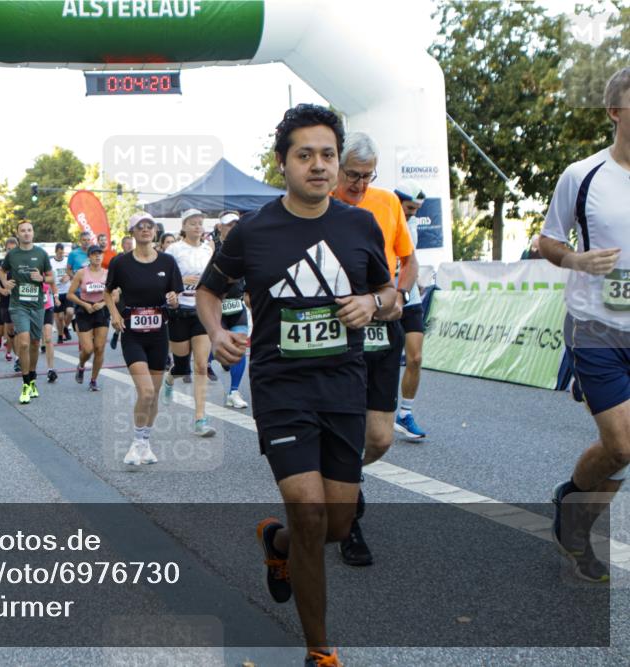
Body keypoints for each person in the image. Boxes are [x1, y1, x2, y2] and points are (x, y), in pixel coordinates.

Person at [197, 104, 395, 667]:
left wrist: (372, 303)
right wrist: (216, 331)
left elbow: (392, 297)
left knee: (334, 523)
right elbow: (210, 291)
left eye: (327, 155)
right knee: (309, 515)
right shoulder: (253, 232)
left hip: (343, 388)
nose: (319, 165)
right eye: (304, 155)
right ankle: (320, 651)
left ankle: (276, 545)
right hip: (282, 391)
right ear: (282, 163)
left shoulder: (360, 225)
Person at [540, 67, 630, 583]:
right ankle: (571, 499)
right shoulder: (583, 176)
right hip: (596, 327)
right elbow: (547, 242)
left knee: (626, 451)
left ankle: (576, 523)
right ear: (615, 112)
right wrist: (579, 261)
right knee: (621, 445)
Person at [332, 132, 416, 568]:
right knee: (344, 429)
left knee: (379, 438)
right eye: (353, 176)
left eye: (368, 176)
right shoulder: (320, 200)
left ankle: (346, 479)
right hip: (337, 326)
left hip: (382, 322)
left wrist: (398, 294)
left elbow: (408, 258)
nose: (360, 186)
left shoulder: (386, 203)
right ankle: (349, 519)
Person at [105, 212, 183, 465]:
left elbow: (174, 296)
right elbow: (107, 293)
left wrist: (173, 299)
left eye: (150, 226)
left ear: (155, 231)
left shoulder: (168, 262)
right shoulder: (121, 263)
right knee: (146, 391)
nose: (146, 230)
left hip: (160, 334)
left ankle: (145, 444)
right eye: (141, 227)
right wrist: (115, 314)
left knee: (155, 394)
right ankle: (137, 443)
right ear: (133, 232)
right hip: (132, 334)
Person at [162, 208, 217, 437]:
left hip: (201, 312)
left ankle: (200, 418)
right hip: (179, 311)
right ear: (183, 226)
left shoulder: (208, 249)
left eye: (200, 223)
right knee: (181, 366)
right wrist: (182, 281)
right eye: (193, 223)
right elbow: (164, 278)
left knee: (201, 366)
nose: (197, 226)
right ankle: (169, 379)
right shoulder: (174, 249)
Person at [0, 221, 53, 405]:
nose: (27, 233)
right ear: (18, 234)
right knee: (23, 342)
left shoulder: (41, 254)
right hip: (18, 305)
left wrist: (42, 278)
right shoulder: (12, 255)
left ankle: (32, 378)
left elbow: (51, 276)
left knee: (35, 343)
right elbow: (1, 271)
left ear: (33, 232)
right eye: (23, 230)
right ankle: (25, 384)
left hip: (37, 305)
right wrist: (5, 283)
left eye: (29, 230)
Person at [393, 180, 429, 439]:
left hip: (409, 296)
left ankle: (405, 414)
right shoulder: (380, 216)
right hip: (383, 296)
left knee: (415, 358)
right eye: (409, 207)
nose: (412, 213)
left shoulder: (413, 224)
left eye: (416, 209)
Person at [215, 211, 250, 409]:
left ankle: (234, 392)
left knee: (239, 348)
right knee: (212, 352)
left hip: (236, 306)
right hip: (215, 307)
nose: (233, 229)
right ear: (220, 227)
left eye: (237, 225)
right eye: (229, 225)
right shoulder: (210, 248)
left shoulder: (246, 247)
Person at [67, 244, 110, 390]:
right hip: (84, 310)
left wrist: (103, 303)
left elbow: (115, 295)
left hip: (101, 311)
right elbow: (70, 294)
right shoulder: (81, 273)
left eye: (100, 254)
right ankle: (81, 365)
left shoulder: (107, 273)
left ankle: (93, 380)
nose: (98, 256)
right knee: (88, 349)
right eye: (94, 254)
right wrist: (84, 304)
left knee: (99, 348)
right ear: (89, 257)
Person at [0, 237, 19, 363]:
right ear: (5, 250)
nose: (11, 252)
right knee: (11, 329)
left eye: (13, 249)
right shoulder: (0, 264)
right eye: (8, 249)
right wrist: (1, 291)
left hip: (21, 301)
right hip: (6, 301)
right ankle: (9, 350)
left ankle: (18, 357)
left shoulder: (23, 263)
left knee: (20, 329)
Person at [66, 231, 93, 332]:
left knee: (91, 313)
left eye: (88, 240)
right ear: (80, 241)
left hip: (92, 288)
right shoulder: (74, 254)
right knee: (80, 313)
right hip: (78, 289)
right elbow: (68, 270)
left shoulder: (93, 253)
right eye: (84, 240)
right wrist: (75, 278)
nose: (86, 242)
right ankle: (82, 337)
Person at [50, 243, 73, 343]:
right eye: (59, 253)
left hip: (67, 290)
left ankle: (65, 328)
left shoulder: (67, 260)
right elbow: (48, 275)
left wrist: (68, 277)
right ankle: (60, 336)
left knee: (70, 312)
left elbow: (72, 273)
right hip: (56, 292)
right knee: (59, 317)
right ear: (56, 252)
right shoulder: (51, 262)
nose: (61, 255)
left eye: (62, 252)